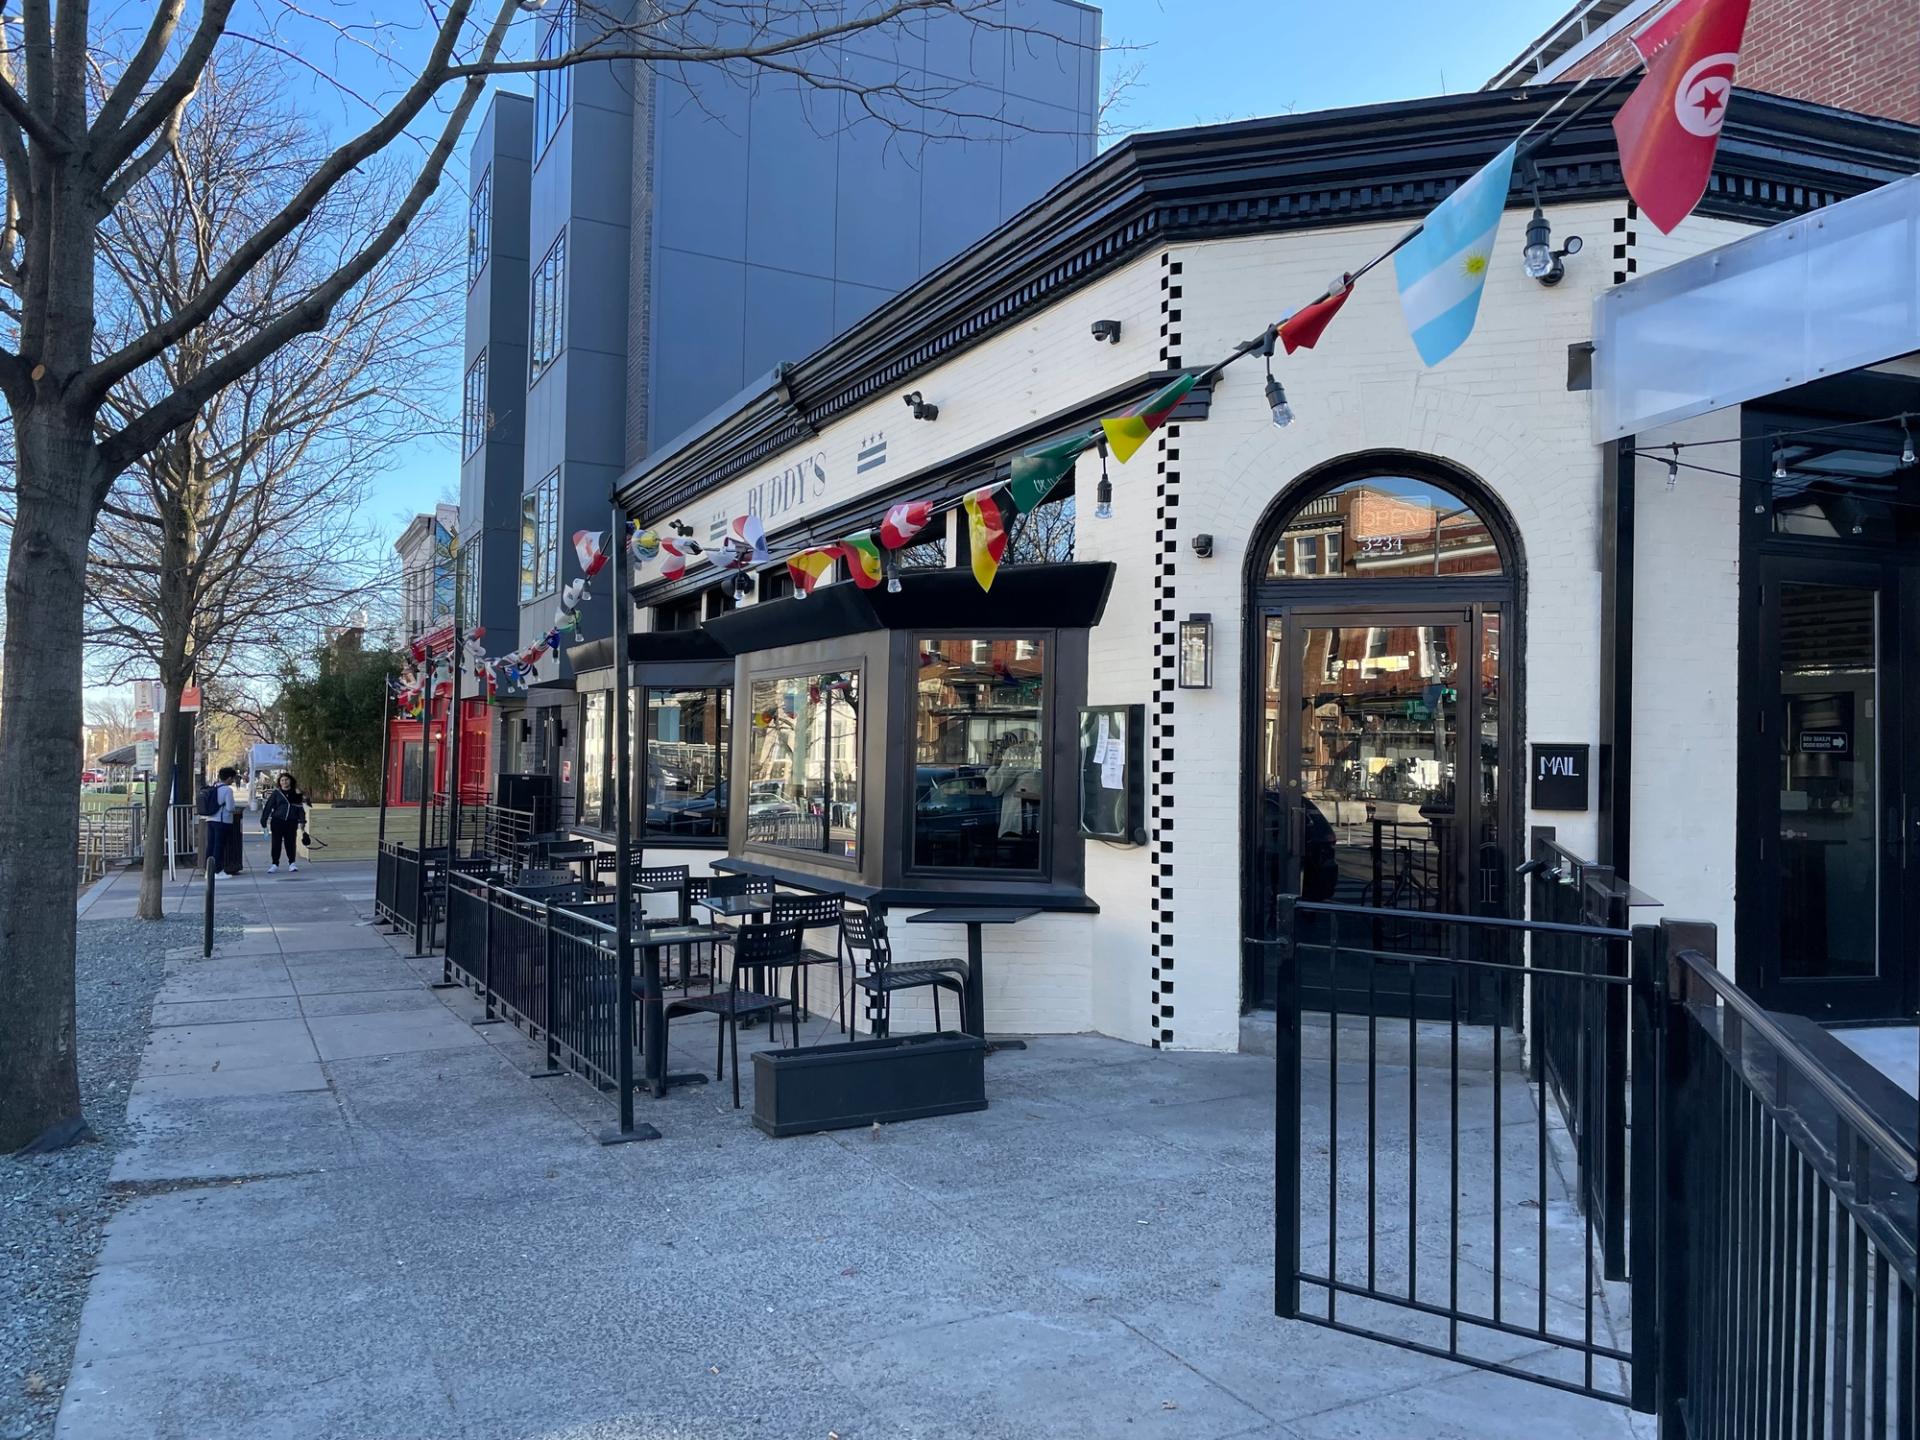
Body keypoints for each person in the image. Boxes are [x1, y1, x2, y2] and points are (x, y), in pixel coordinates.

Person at [260, 772, 307, 874]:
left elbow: (300, 809)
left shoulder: (296, 794)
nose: (284, 782)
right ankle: (274, 864)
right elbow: (268, 807)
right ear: (279, 783)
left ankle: (292, 863)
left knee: (290, 843)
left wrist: (302, 821)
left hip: (291, 822)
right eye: (282, 780)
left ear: (290, 781)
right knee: (276, 843)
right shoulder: (276, 793)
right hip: (277, 821)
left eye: (286, 780)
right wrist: (263, 820)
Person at [203, 766, 239, 876]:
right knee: (219, 846)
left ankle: (208, 870)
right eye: (232, 778)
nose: (233, 781)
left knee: (211, 845)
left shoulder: (213, 787)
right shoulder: (227, 790)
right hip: (223, 821)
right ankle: (217, 870)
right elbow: (230, 807)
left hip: (210, 820)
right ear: (228, 778)